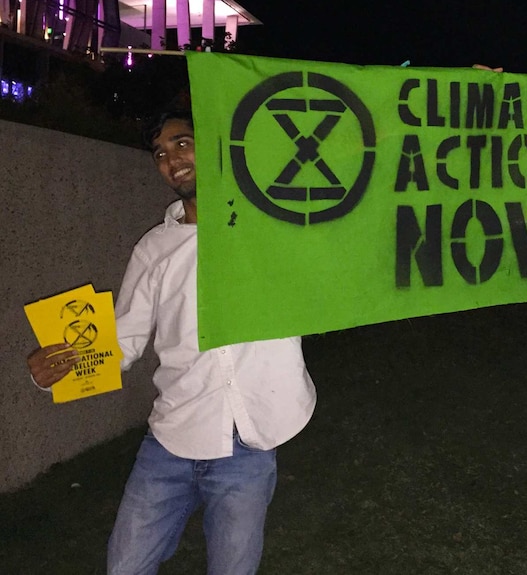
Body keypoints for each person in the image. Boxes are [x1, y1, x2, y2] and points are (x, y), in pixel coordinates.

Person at [26, 108, 317, 574]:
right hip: (172, 439)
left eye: (182, 143)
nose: (171, 159)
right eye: (160, 152)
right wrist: (54, 369)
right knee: (124, 567)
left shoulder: (275, 222)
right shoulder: (153, 249)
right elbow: (122, 341)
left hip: (252, 437)